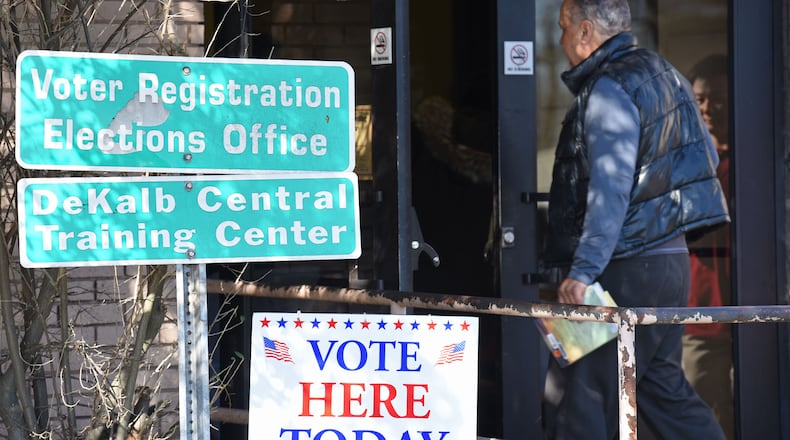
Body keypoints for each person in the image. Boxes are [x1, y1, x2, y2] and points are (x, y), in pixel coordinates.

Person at [540, 0, 730, 439]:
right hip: (669, 263)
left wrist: (583, 271)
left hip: (622, 267)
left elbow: (610, 186)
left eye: (564, 28)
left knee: (582, 394)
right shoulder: (669, 76)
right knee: (664, 391)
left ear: (586, 32)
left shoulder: (609, 87)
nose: (561, 39)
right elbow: (699, 156)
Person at [683, 54, 734, 440]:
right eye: (699, 99)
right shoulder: (689, 162)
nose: (707, 109)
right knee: (700, 412)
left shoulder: (762, 161)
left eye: (716, 98)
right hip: (702, 315)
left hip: (759, 311)